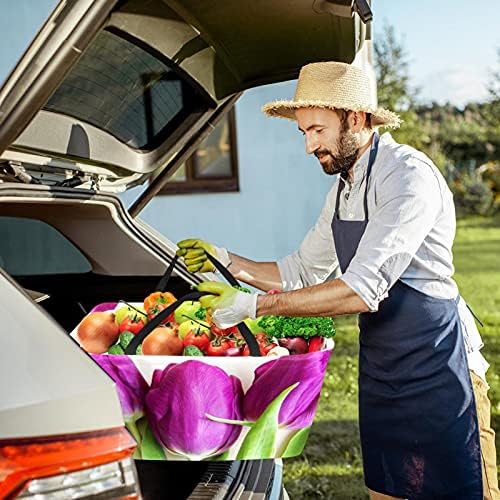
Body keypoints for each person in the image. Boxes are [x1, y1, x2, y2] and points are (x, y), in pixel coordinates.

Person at [176, 62, 499, 500]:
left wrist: (255, 306)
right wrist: (228, 260)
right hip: (383, 367)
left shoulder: (407, 177)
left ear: (356, 118)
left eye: (317, 130)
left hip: (439, 365)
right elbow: (302, 271)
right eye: (304, 132)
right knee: (387, 490)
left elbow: (362, 289)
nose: (309, 146)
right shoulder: (344, 188)